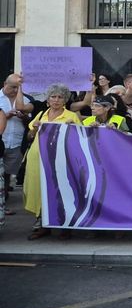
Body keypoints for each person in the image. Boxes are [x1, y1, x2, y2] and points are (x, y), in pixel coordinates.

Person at [24, 83, 82, 240]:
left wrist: (72, 129)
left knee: (61, 190)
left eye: (60, 97)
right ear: (47, 99)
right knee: (39, 190)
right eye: (53, 97)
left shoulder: (71, 116)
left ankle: (65, 225)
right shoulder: (41, 114)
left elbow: (79, 140)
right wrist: (34, 129)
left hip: (61, 160)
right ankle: (42, 224)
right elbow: (30, 137)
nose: (56, 100)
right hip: (37, 158)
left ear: (65, 100)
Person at [1, 74, 33, 206]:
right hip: (1, 139)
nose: (15, 90)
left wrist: (23, 117)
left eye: (18, 88)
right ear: (4, 84)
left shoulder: (25, 100)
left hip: (16, 142)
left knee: (7, 173)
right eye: (13, 87)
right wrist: (5, 116)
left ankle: (4, 200)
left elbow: (30, 122)